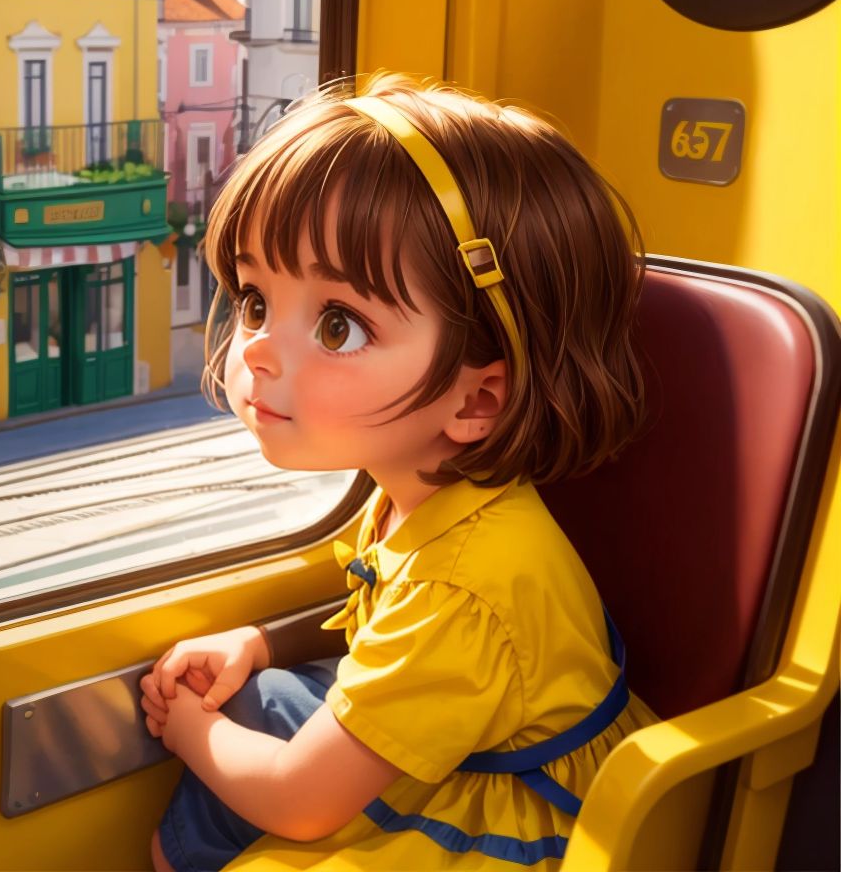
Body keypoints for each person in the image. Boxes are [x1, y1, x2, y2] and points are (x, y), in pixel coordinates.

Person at [139, 74, 659, 871]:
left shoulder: (469, 581)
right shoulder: (413, 487)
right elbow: (384, 611)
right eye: (254, 300)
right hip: (459, 743)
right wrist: (262, 640)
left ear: (477, 398)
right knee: (247, 702)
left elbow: (300, 801)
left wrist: (186, 727)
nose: (257, 349)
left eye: (338, 325)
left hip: (516, 817)